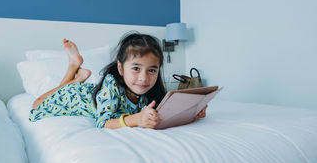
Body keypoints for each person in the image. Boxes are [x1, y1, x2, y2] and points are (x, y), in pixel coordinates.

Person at [29, 32, 206, 129]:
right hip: (74, 96)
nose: (144, 78)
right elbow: (103, 123)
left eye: (152, 70)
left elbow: (162, 112)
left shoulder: (147, 91)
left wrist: (191, 113)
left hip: (92, 92)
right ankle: (74, 72)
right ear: (120, 68)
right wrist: (135, 119)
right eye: (136, 68)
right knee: (37, 103)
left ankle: (77, 72)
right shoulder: (111, 82)